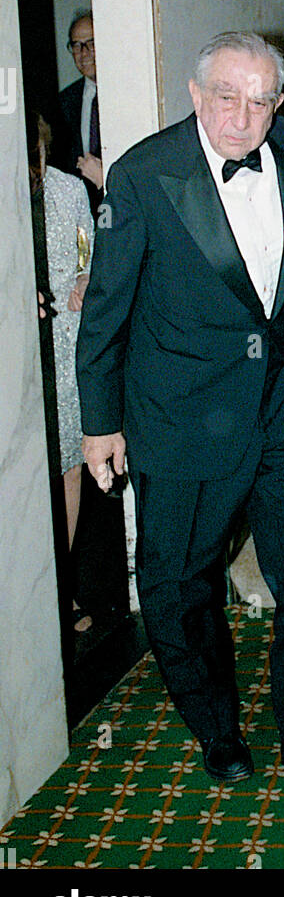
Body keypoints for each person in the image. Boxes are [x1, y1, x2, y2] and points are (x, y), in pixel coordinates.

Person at [76, 31, 284, 782]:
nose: (244, 118)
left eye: (261, 100)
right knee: (178, 583)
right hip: (181, 410)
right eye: (226, 97)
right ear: (194, 94)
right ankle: (216, 727)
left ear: (278, 104)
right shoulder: (144, 176)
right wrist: (98, 422)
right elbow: (106, 309)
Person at [28, 110, 95, 632]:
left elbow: (86, 252)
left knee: (68, 462)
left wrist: (84, 279)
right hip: (18, 348)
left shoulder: (69, 191)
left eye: (39, 156)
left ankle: (61, 588)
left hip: (65, 340)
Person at [58, 11, 103, 213]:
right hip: (80, 211)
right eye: (76, 45)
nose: (84, 53)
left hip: (120, 206)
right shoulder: (65, 100)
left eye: (91, 43)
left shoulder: (123, 96)